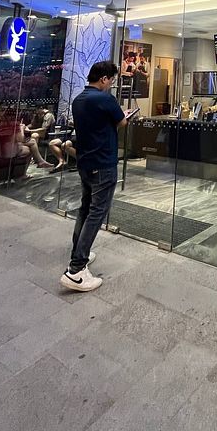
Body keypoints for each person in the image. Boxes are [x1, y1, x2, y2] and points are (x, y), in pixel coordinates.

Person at [59, 61, 128, 292]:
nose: (112, 85)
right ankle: (76, 269)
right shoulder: (105, 99)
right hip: (103, 163)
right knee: (97, 213)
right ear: (105, 79)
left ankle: (79, 253)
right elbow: (122, 121)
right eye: (112, 81)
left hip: (85, 162)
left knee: (85, 208)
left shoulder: (78, 100)